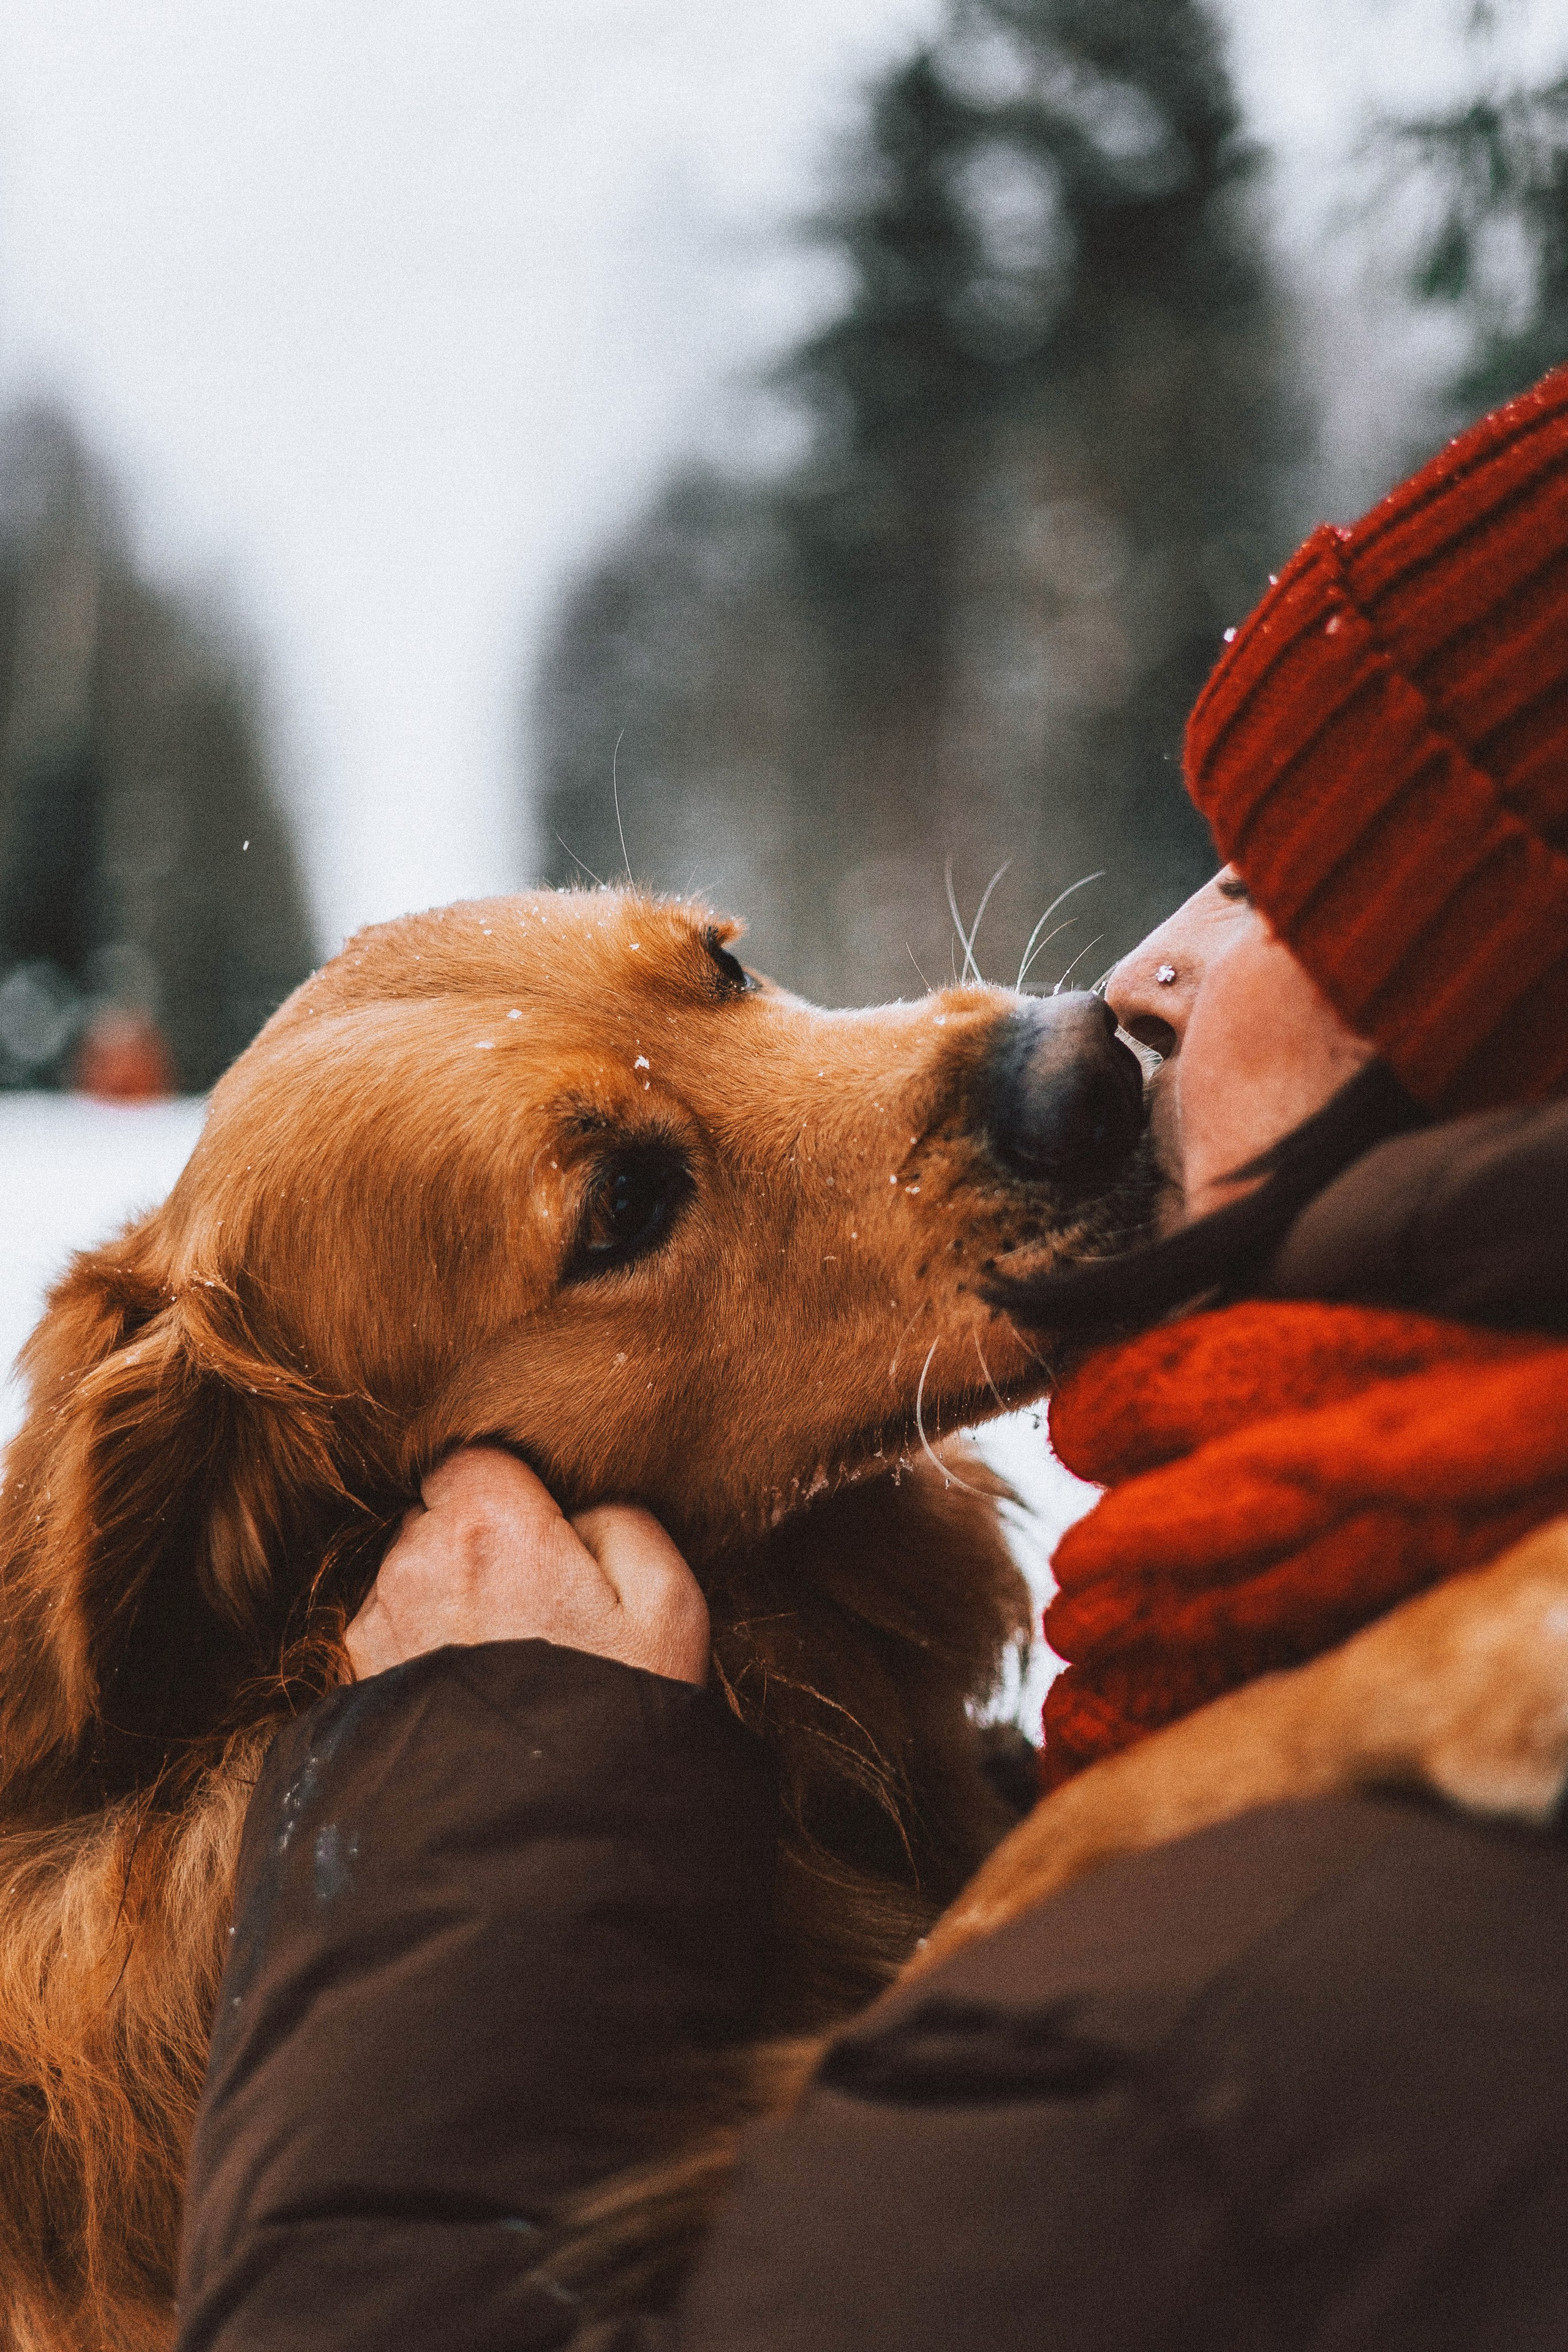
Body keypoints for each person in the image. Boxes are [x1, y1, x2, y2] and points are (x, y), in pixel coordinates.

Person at [176, 368, 1568, 2352]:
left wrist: (468, 1849)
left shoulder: (1198, 2058)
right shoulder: (1287, 1655)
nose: (1116, 991)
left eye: (1290, 895)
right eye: (724, 987)